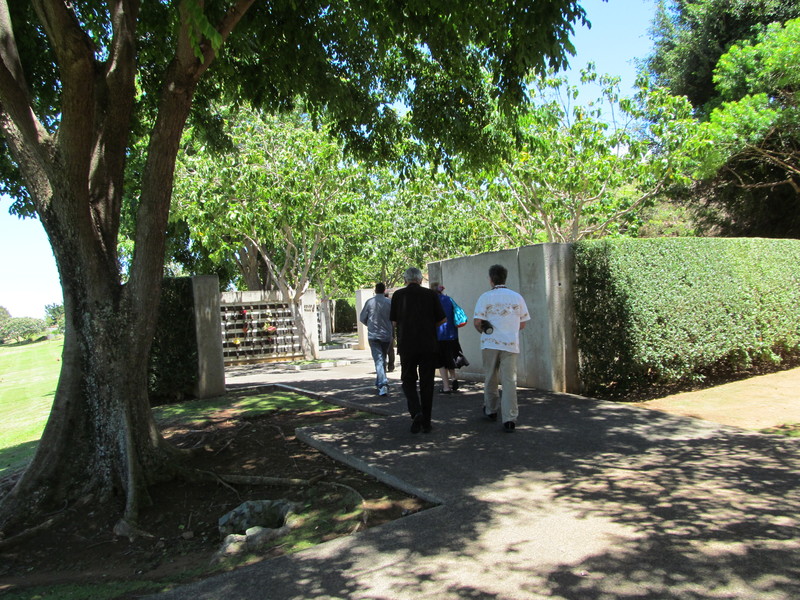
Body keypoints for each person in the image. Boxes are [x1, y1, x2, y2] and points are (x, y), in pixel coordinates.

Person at [473, 264, 530, 433]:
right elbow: (522, 324)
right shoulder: (517, 297)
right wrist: (509, 329)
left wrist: (483, 330)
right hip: (510, 344)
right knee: (509, 380)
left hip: (490, 343)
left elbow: (477, 322)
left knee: (491, 376)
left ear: (491, 279)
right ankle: (510, 418)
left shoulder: (485, 297)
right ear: (505, 278)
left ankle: (491, 410)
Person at [390, 267, 446, 433]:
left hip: (407, 344)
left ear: (405, 280)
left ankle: (416, 411)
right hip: (428, 344)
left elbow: (394, 322)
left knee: (408, 380)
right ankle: (426, 423)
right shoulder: (431, 294)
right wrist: (429, 326)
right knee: (427, 383)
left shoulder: (398, 295)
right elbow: (442, 319)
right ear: (421, 279)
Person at [359, 282, 393, 396]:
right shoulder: (389, 302)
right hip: (386, 335)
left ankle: (382, 384)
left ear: (375, 290)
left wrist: (370, 324)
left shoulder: (369, 302)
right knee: (382, 359)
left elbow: (362, 318)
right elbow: (395, 318)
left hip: (373, 335)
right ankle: (380, 382)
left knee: (379, 360)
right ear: (384, 290)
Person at [432, 283, 461, 394]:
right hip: (452, 334)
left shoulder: (432, 301)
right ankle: (453, 378)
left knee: (441, 362)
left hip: (439, 335)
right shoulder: (449, 299)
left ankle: (446, 386)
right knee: (450, 358)